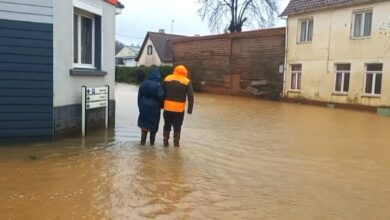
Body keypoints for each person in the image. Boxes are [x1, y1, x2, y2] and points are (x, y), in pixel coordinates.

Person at [163, 65, 194, 147]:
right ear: (185, 72)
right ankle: (176, 144)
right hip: (178, 110)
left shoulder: (167, 78)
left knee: (167, 124)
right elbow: (191, 96)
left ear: (175, 70)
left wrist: (161, 105)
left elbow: (162, 92)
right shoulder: (186, 81)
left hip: (167, 108)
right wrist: (189, 110)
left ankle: (165, 141)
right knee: (177, 126)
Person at [137, 68, 164, 145]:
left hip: (143, 106)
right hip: (154, 108)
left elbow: (139, 96)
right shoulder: (159, 85)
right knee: (153, 126)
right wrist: (161, 106)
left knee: (144, 126)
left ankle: (142, 143)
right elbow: (161, 97)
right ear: (158, 76)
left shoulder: (144, 83)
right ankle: (152, 145)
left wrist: (140, 107)